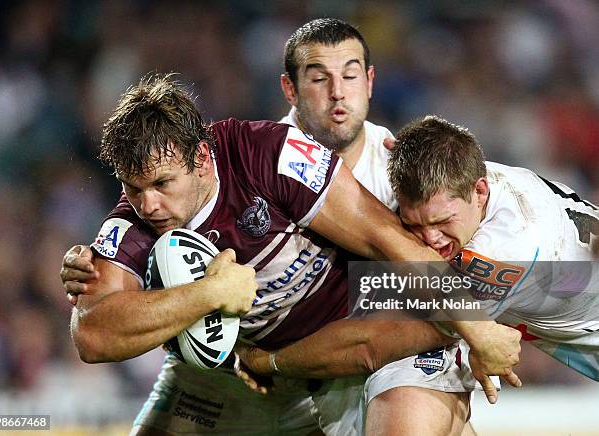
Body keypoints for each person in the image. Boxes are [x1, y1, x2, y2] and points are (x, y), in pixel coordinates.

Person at [61, 22, 520, 436]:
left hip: (339, 360)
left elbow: (393, 241)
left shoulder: (274, 155)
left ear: (202, 158)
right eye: (133, 188)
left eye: (162, 184)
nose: (149, 204)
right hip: (232, 376)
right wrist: (207, 295)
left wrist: (475, 327)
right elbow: (93, 336)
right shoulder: (136, 214)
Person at [239, 115, 598, 389]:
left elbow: (370, 346)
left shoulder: (503, 253)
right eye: (415, 223)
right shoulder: (457, 172)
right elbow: (429, 138)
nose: (430, 239)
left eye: (442, 222)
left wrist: (268, 362)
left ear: (480, 191)